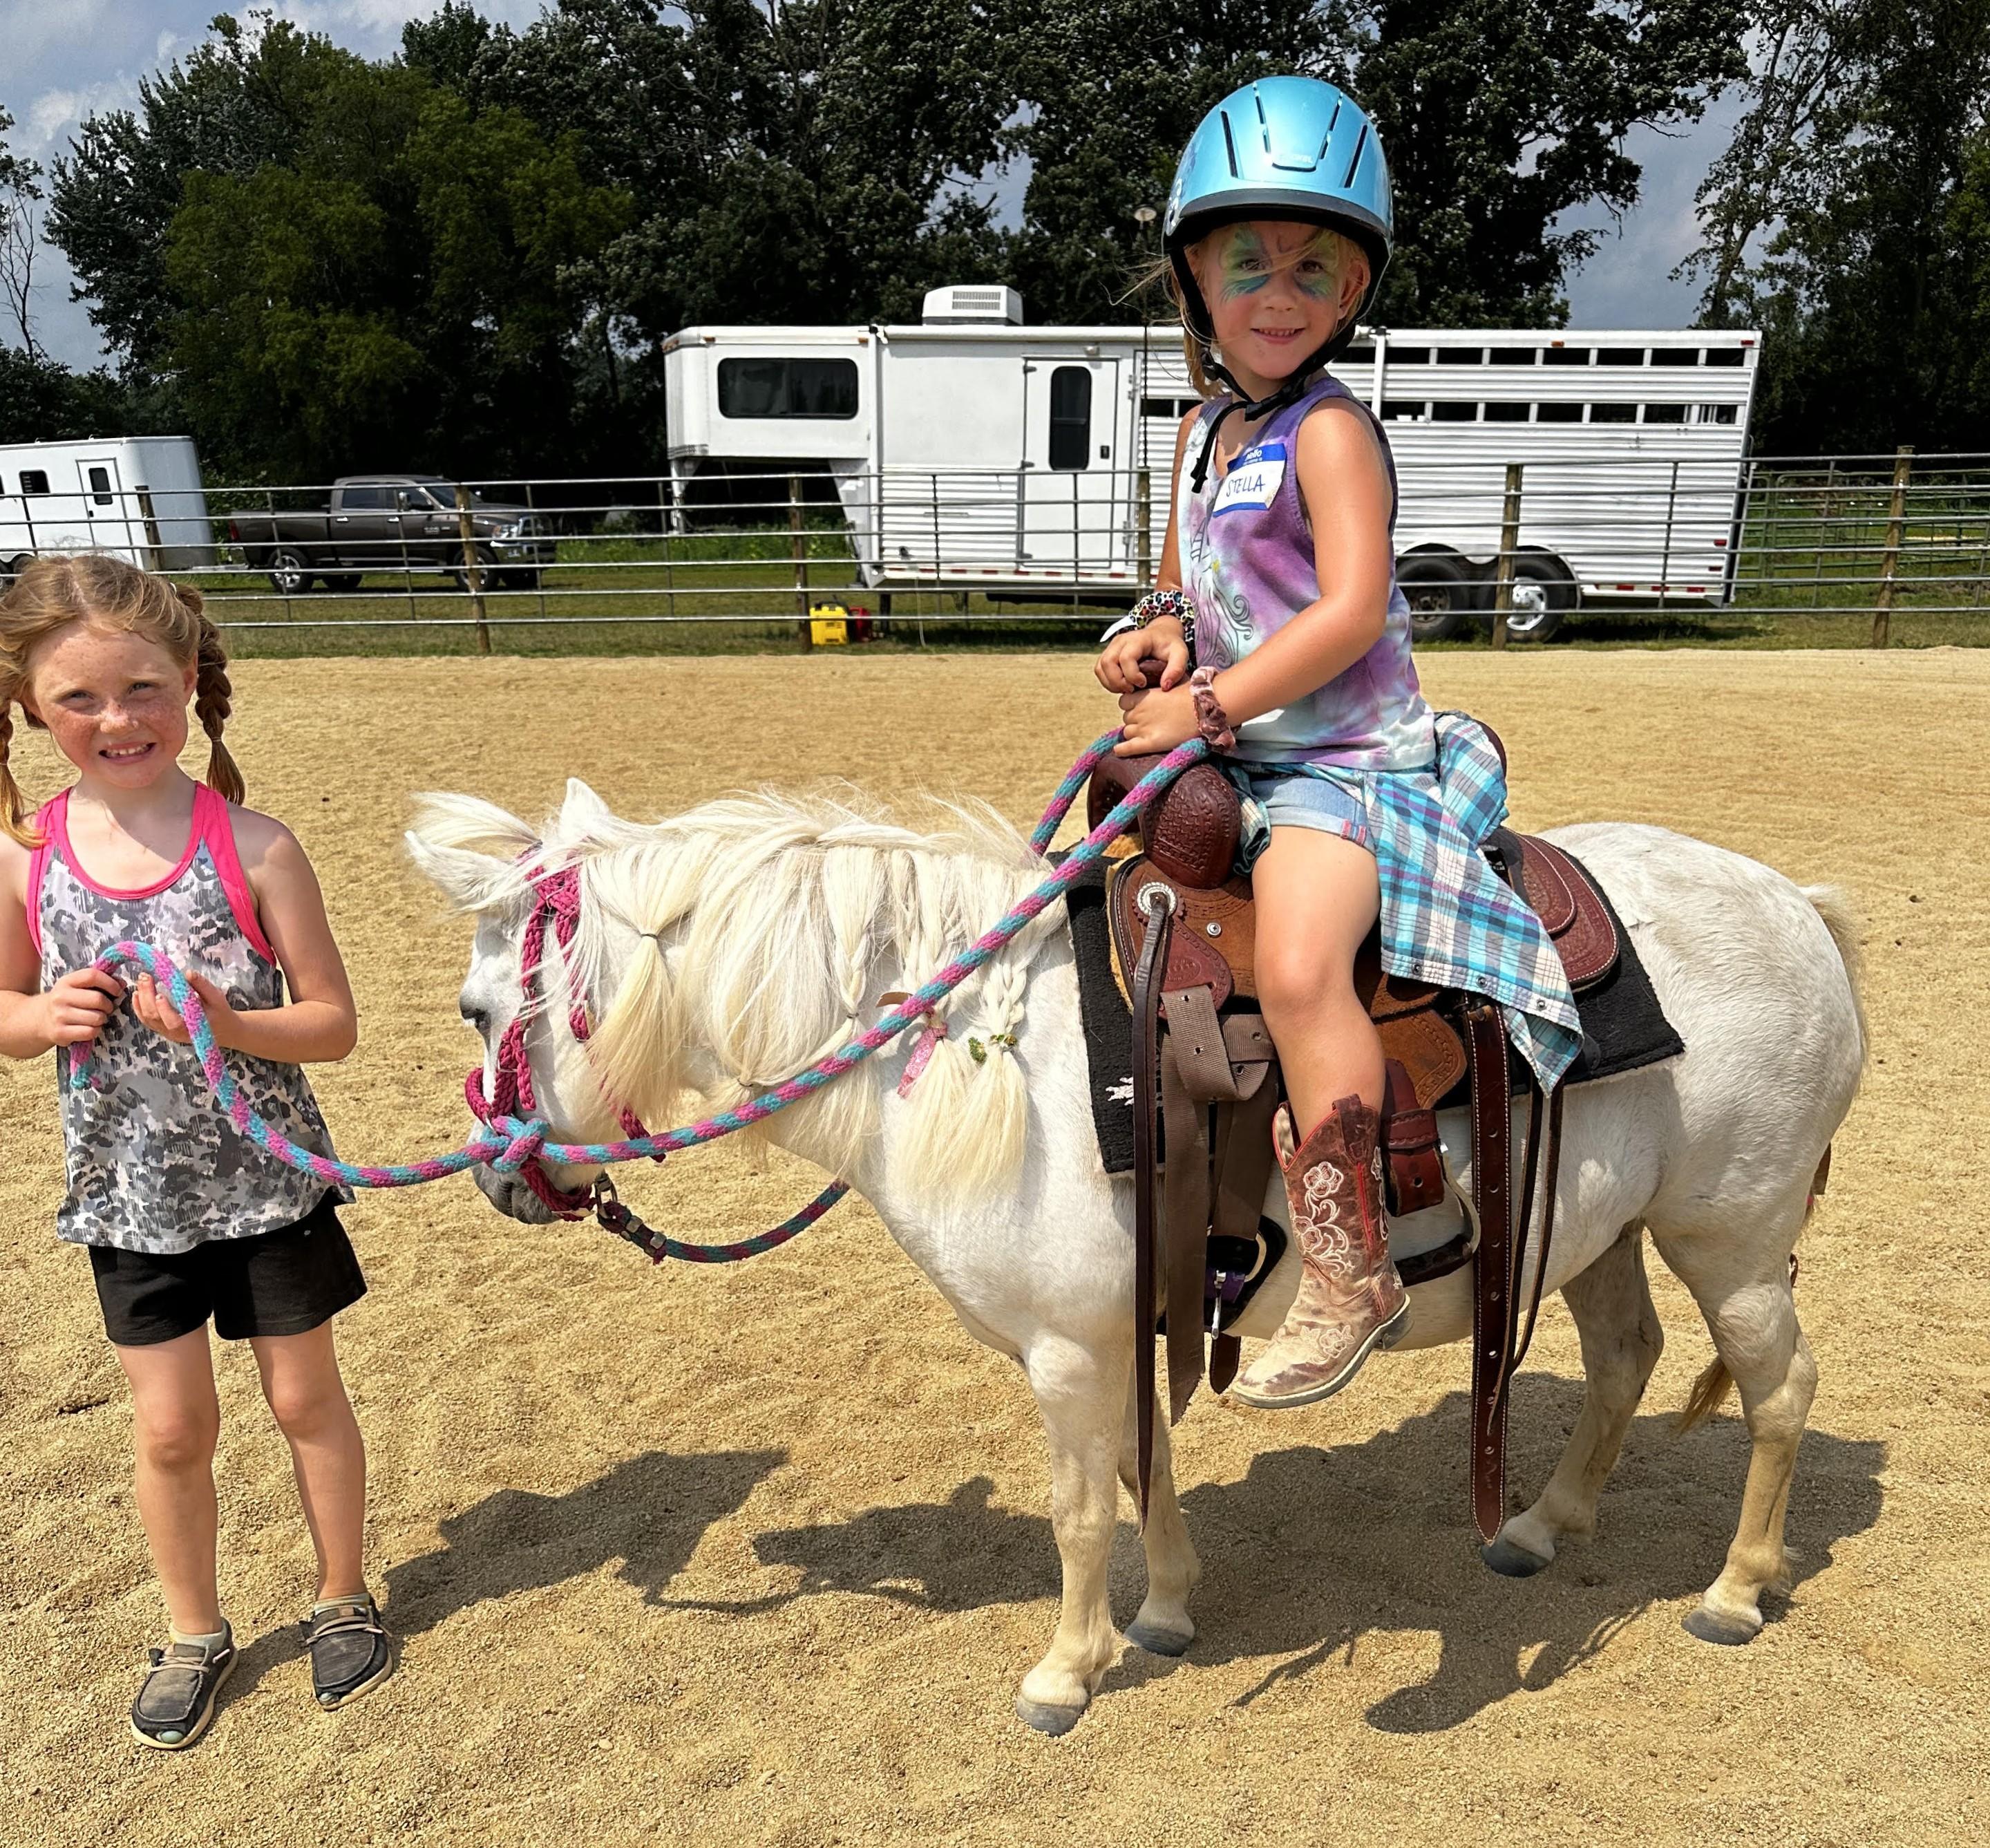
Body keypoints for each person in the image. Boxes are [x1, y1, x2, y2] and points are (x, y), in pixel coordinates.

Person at [1096, 77, 1581, 1410]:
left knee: (1305, 965)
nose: (1279, 290)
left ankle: (1354, 1263)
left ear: (1354, 288)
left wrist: (1205, 706)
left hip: (1343, 767)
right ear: (1195, 275)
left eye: (1316, 266)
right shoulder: (1202, 435)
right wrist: (1154, 639)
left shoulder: (1332, 431)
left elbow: (1354, 605)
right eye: (1246, 261)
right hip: (1245, 747)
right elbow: (1191, 591)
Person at [0, 556, 391, 1748]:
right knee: (171, 1428)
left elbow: (333, 1020)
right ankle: (192, 1630)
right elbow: (3, 1014)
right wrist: (38, 1017)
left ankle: (341, 1596)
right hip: (127, 1204)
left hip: (269, 1187)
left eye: (143, 687)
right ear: (25, 704)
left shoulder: (257, 844)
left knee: (302, 1396)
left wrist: (228, 1018)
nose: (118, 720)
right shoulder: (23, 857)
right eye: (79, 699)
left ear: (190, 684)